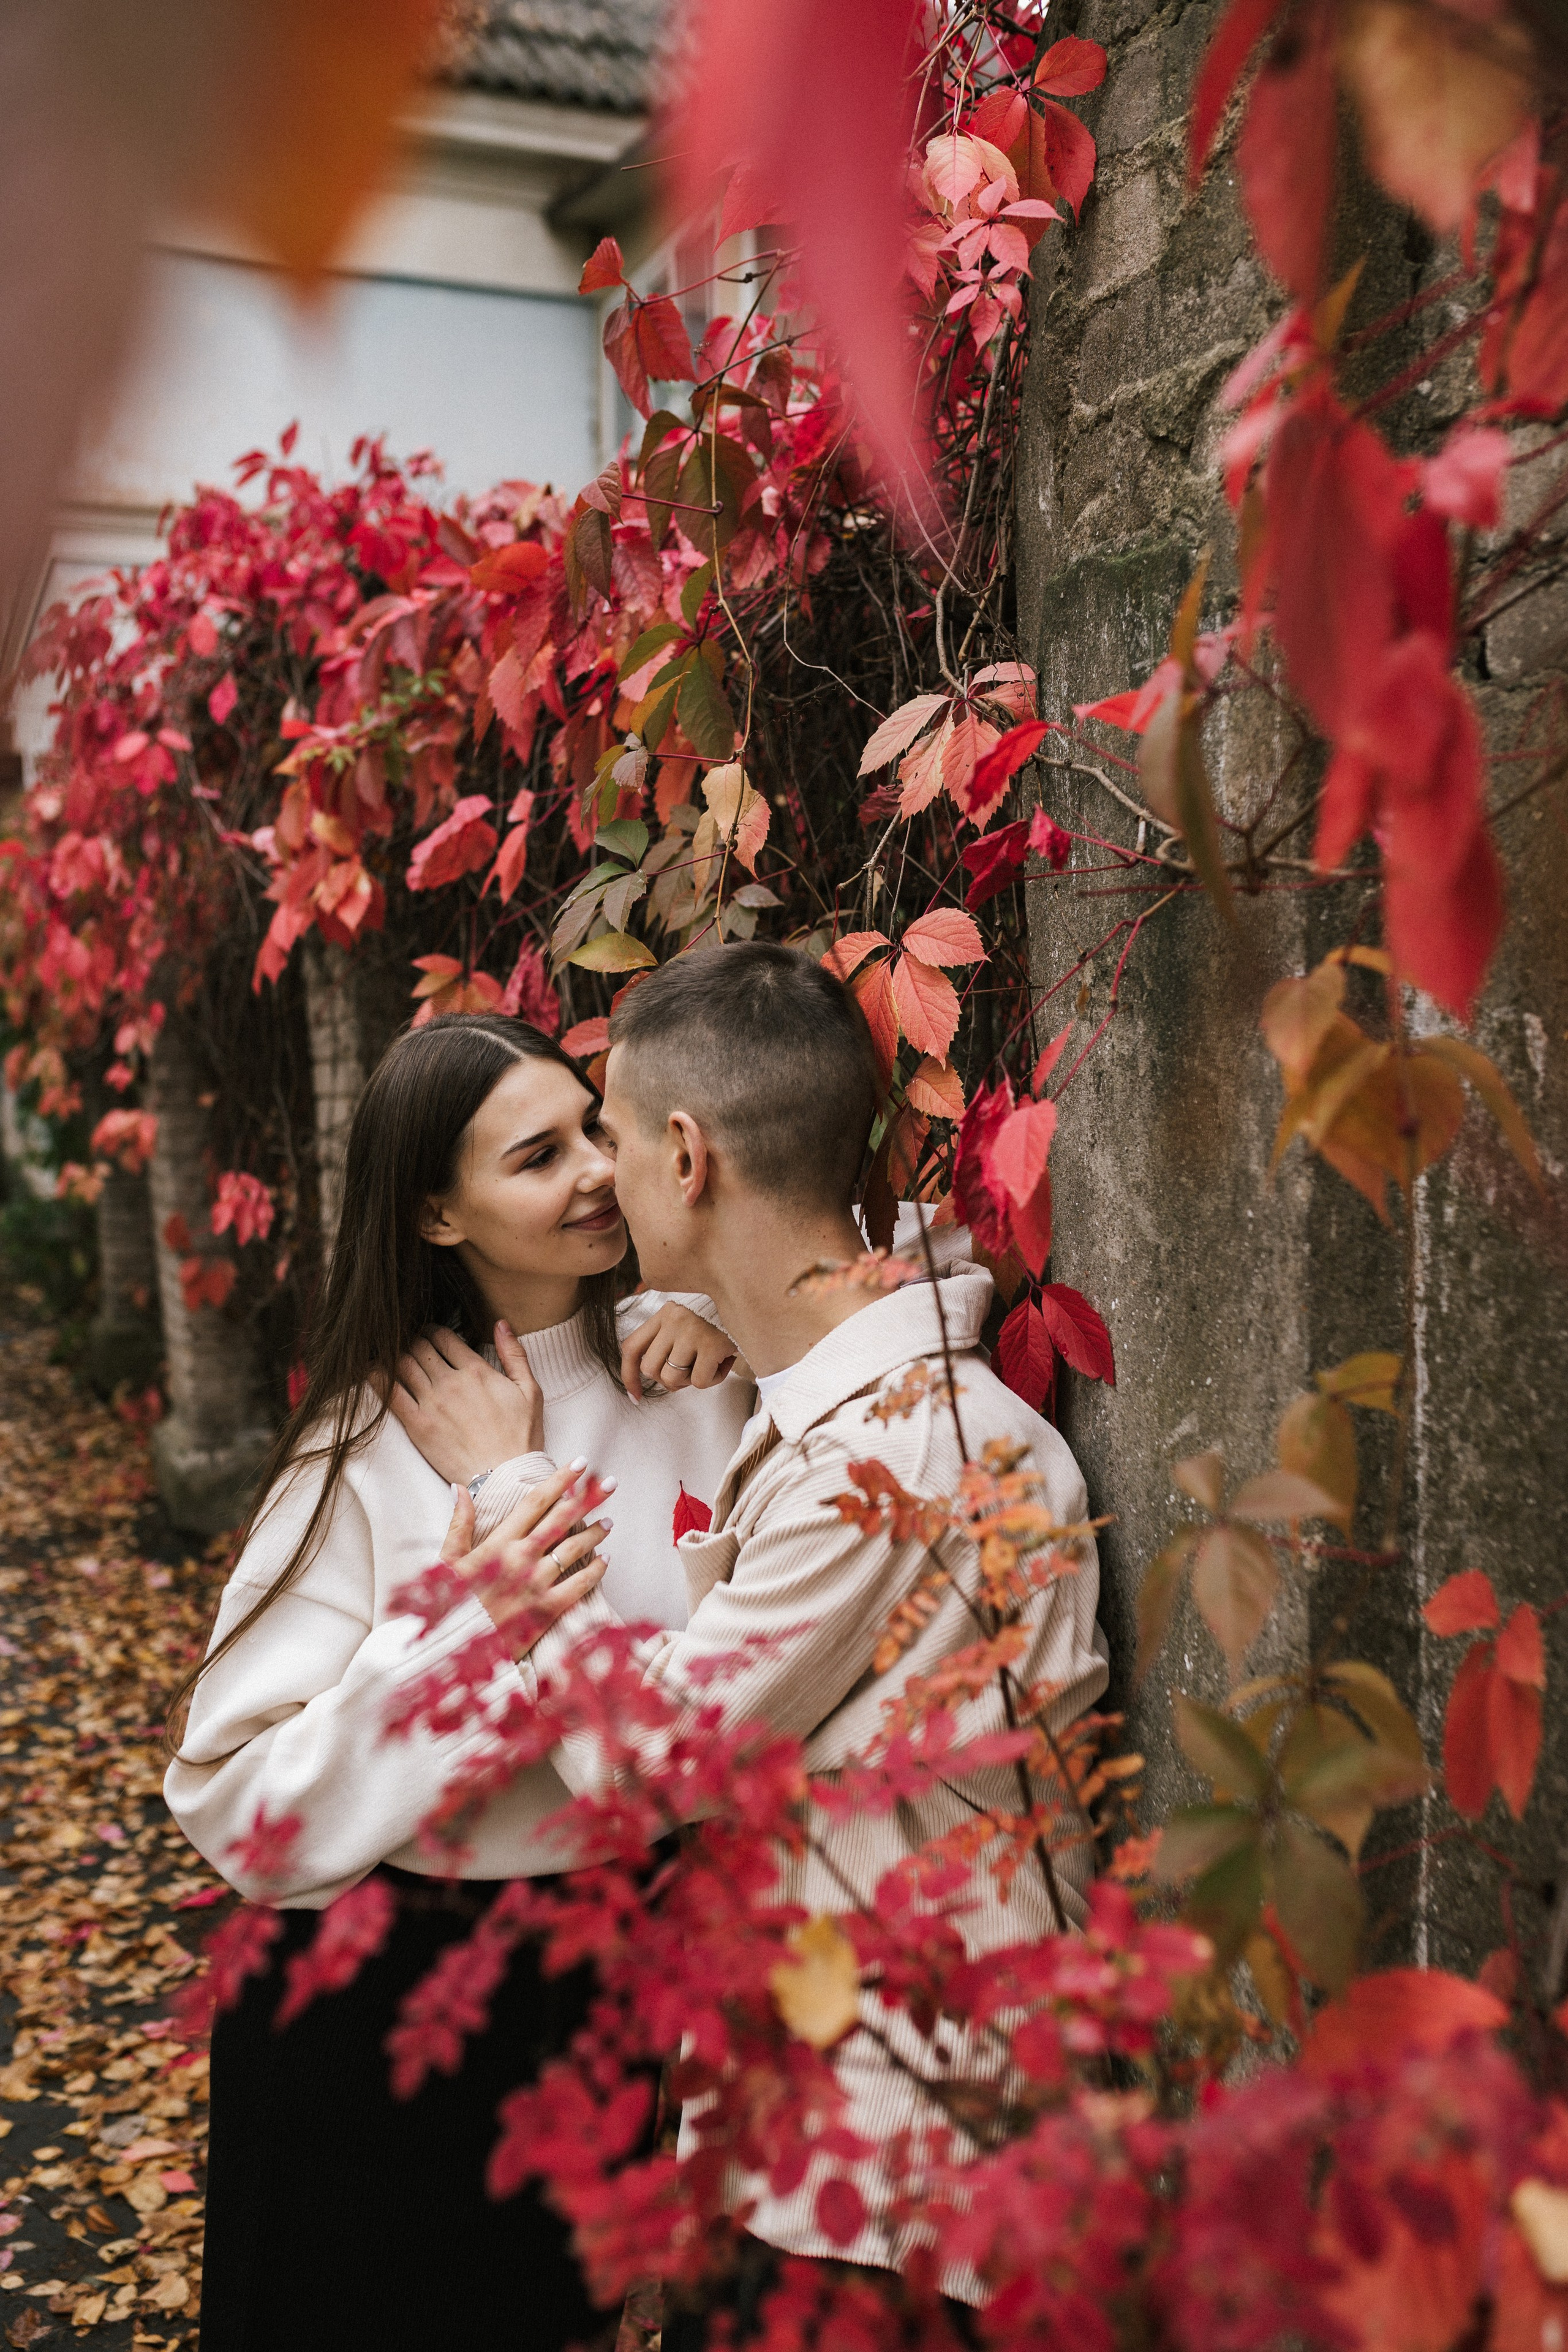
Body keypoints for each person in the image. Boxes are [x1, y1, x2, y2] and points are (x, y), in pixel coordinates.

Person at [411, 943, 1110, 2342]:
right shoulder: (849, 1415)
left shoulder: (892, 1459)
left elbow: (651, 1766)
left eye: (608, 1137)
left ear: (685, 1158)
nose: (597, 1177)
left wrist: (509, 1494)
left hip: (904, 2200)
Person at [163, 1012, 755, 2352]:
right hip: (377, 2008)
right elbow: (233, 1799)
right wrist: (478, 1629)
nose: (596, 1171)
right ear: (438, 1215)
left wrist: (725, 1315)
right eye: (538, 1157)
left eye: (593, 1129)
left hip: (607, 1980)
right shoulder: (375, 1438)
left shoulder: (702, 1375)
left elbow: (918, 1294)